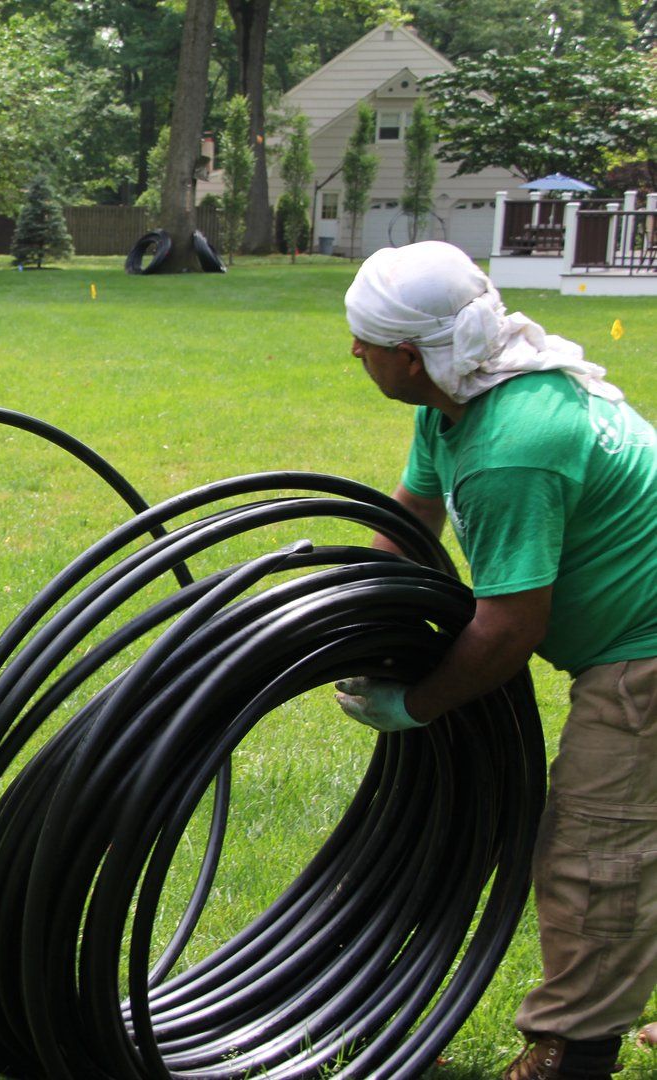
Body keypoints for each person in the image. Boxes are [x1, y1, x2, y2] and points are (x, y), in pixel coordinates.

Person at [336, 241, 657, 1080]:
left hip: (646, 653)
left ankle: (573, 1049)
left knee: (596, 845)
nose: (354, 353)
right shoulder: (455, 394)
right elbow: (410, 519)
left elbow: (508, 629)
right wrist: (355, 622)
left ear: (408, 356)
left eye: (362, 340)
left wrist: (415, 704)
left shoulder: (511, 444)